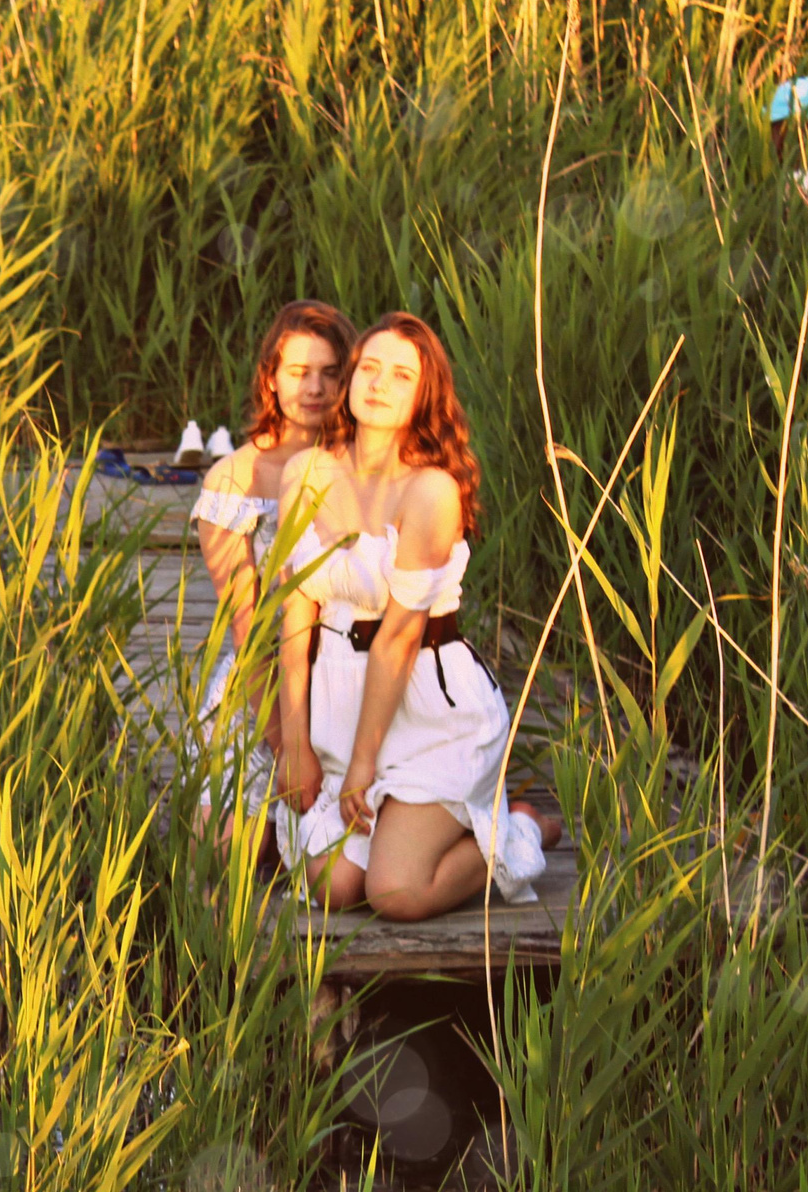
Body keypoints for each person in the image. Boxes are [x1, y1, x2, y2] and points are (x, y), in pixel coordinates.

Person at [272, 313, 558, 918]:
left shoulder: (431, 490)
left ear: (423, 395)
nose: (378, 384)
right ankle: (444, 823)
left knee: (395, 893)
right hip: (340, 702)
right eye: (369, 368)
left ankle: (519, 833)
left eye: (401, 375)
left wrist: (362, 765)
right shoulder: (307, 473)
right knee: (334, 889)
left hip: (428, 712)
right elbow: (295, 620)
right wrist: (294, 739)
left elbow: (399, 640)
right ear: (351, 379)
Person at [187, 300, 355, 842]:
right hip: (262, 688)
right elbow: (247, 626)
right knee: (230, 845)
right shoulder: (233, 477)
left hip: (345, 672)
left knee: (333, 849)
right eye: (299, 373)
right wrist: (287, 743)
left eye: (331, 373)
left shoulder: (358, 466)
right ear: (271, 380)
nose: (315, 389)